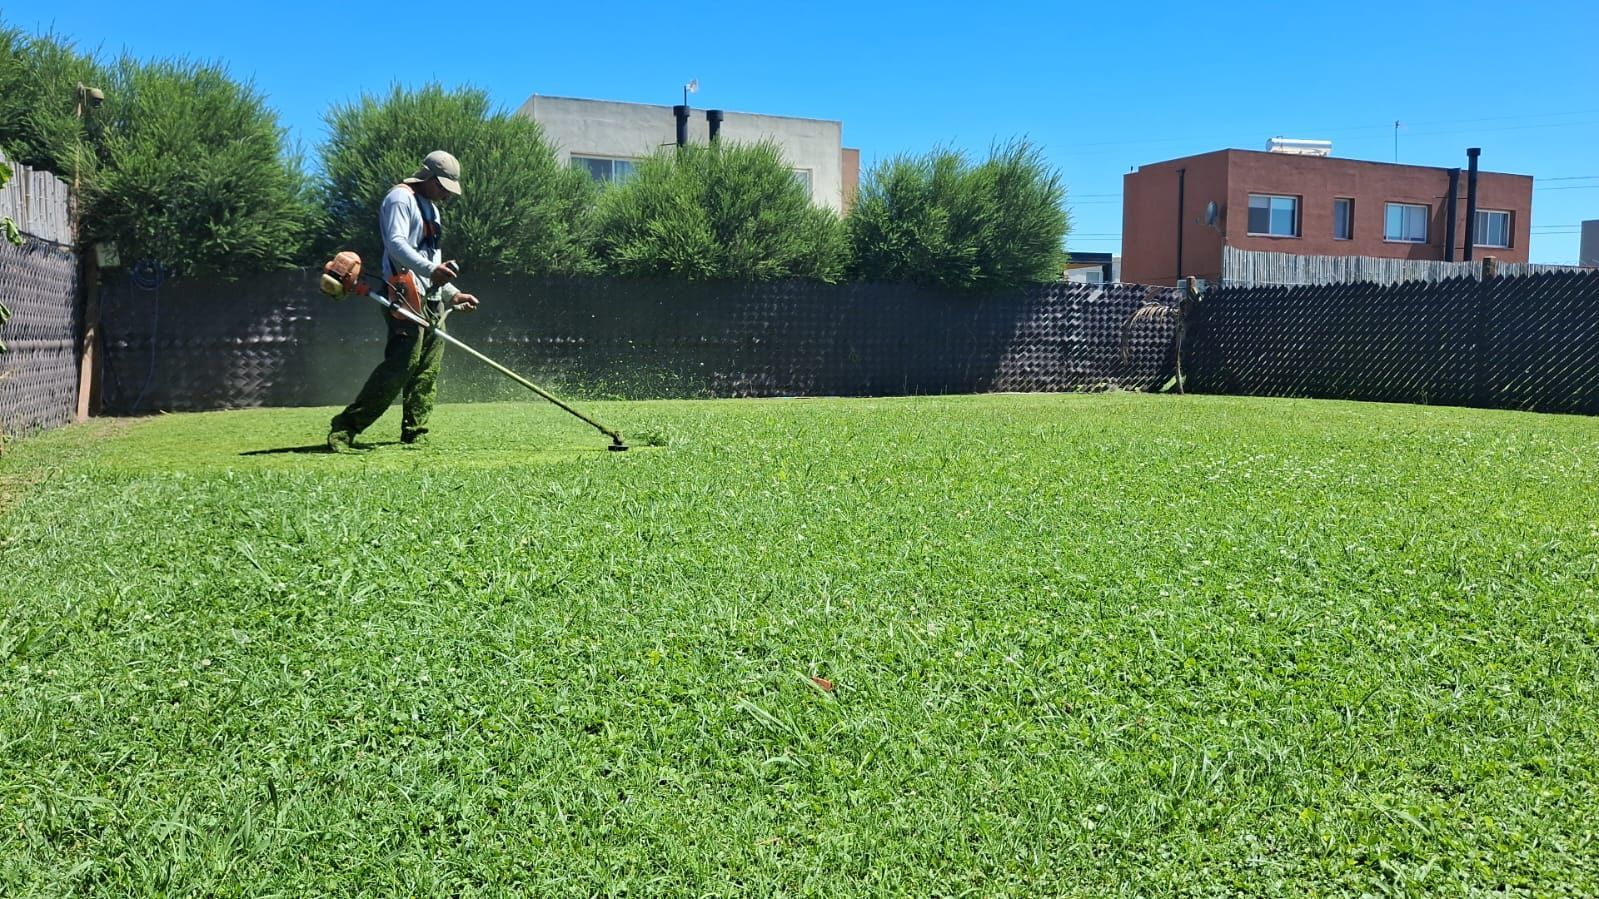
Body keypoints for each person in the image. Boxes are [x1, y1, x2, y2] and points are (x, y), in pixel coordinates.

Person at [328, 150, 479, 452]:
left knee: (427, 369)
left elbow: (430, 260)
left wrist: (452, 293)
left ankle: (415, 431)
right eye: (443, 188)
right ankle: (345, 428)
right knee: (402, 365)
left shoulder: (433, 210)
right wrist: (430, 271)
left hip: (432, 298)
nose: (447, 195)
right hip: (404, 293)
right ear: (428, 178)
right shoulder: (400, 198)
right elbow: (396, 244)